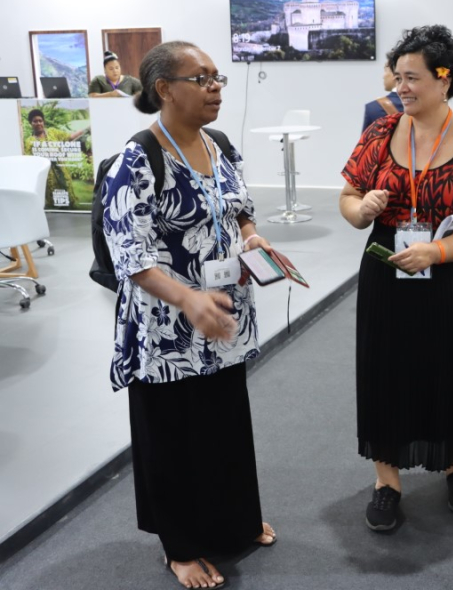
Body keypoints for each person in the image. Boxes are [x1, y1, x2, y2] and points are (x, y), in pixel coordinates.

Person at [101, 40, 277, 590]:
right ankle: (178, 548)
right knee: (171, 438)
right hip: (166, 332)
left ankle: (234, 523)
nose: (215, 87)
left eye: (216, 77)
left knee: (224, 424)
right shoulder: (135, 160)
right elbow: (130, 258)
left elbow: (240, 205)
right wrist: (187, 298)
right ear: (163, 90)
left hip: (222, 318)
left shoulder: (218, 142)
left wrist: (253, 239)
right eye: (200, 79)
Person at [339, 25, 453, 533]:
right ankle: (386, 480)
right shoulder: (378, 133)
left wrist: (435, 250)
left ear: (443, 78)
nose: (401, 88)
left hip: (450, 277)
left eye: (411, 78)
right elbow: (347, 200)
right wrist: (360, 207)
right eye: (398, 78)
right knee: (384, 370)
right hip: (387, 274)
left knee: (451, 368)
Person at [361, 61, 404, 131]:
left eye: (385, 71)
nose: (383, 76)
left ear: (395, 75)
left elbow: (365, 141)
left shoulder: (373, 107)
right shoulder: (424, 105)